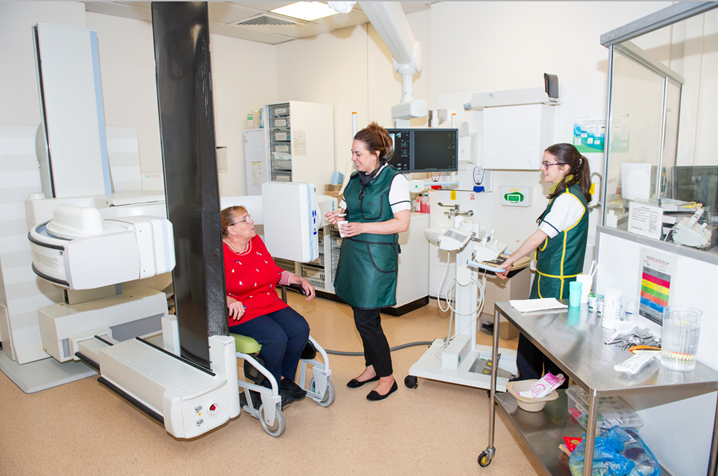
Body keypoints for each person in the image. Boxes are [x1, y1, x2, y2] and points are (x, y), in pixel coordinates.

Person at [325, 122, 411, 401]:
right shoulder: (354, 178)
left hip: (376, 258)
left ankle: (387, 377)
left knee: (367, 319)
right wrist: (338, 216)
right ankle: (371, 367)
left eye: (358, 153)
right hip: (353, 255)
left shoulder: (395, 180)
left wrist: (362, 227)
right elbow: (347, 207)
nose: (353, 158)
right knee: (361, 316)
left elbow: (402, 223)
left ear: (376, 153)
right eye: (352, 152)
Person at [496, 143, 591, 384]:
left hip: (557, 282)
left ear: (565, 168)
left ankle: (549, 388)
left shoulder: (568, 199)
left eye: (547, 164)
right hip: (548, 276)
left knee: (550, 339)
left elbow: (539, 237)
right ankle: (527, 380)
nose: (542, 169)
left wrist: (509, 260)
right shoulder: (563, 195)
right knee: (532, 332)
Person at [221, 205, 316, 406]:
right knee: (276, 337)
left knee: (300, 329)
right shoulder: (217, 252)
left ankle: (281, 379)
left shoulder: (255, 242)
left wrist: (297, 279)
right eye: (245, 220)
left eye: (249, 217)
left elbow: (273, 272)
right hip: (238, 310)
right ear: (231, 229)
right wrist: (226, 299)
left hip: (268, 302)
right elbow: (207, 287)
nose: (251, 222)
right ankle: (266, 387)